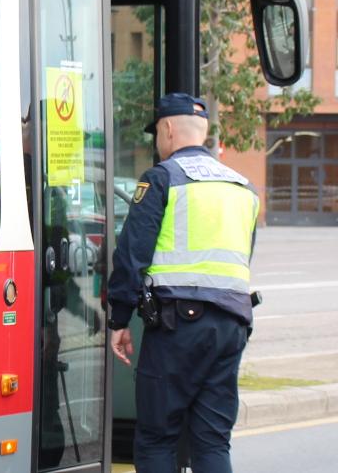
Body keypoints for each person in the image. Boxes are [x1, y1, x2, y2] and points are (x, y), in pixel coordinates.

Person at [107, 93, 259, 473]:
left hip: (178, 327)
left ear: (168, 129)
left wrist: (119, 319)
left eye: (157, 133)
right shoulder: (243, 187)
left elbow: (131, 256)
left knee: (158, 437)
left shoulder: (163, 179)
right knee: (211, 440)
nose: (157, 143)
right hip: (232, 326)